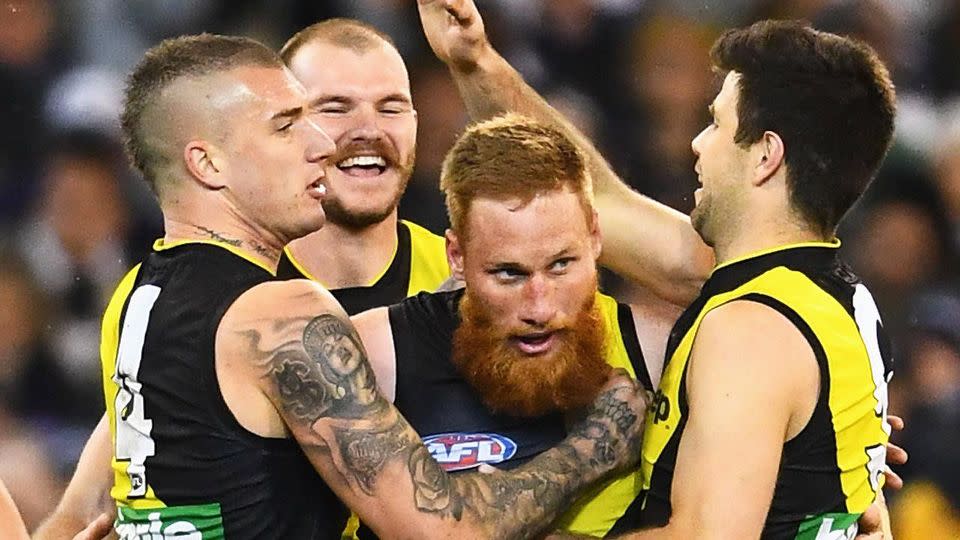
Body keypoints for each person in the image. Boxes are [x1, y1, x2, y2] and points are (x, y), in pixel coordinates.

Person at [45, 32, 645, 540]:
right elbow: (444, 528)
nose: (321, 145)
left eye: (390, 105)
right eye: (287, 125)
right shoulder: (282, 315)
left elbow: (108, 506)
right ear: (208, 164)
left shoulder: (139, 298)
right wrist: (594, 449)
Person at [417, 2, 898, 538]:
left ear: (766, 156)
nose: (698, 142)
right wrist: (475, 61)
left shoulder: (751, 328)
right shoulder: (827, 293)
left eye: (716, 123)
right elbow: (595, 195)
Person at [350, 114, 680, 538]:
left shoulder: (657, 356)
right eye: (509, 274)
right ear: (457, 257)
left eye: (561, 265)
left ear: (595, 237)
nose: (539, 308)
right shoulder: (375, 355)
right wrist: (590, 451)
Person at [277, 19, 450, 315]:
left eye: (391, 109)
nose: (369, 130)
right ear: (282, 128)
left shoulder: (465, 280)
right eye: (335, 108)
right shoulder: (222, 290)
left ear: (414, 125)